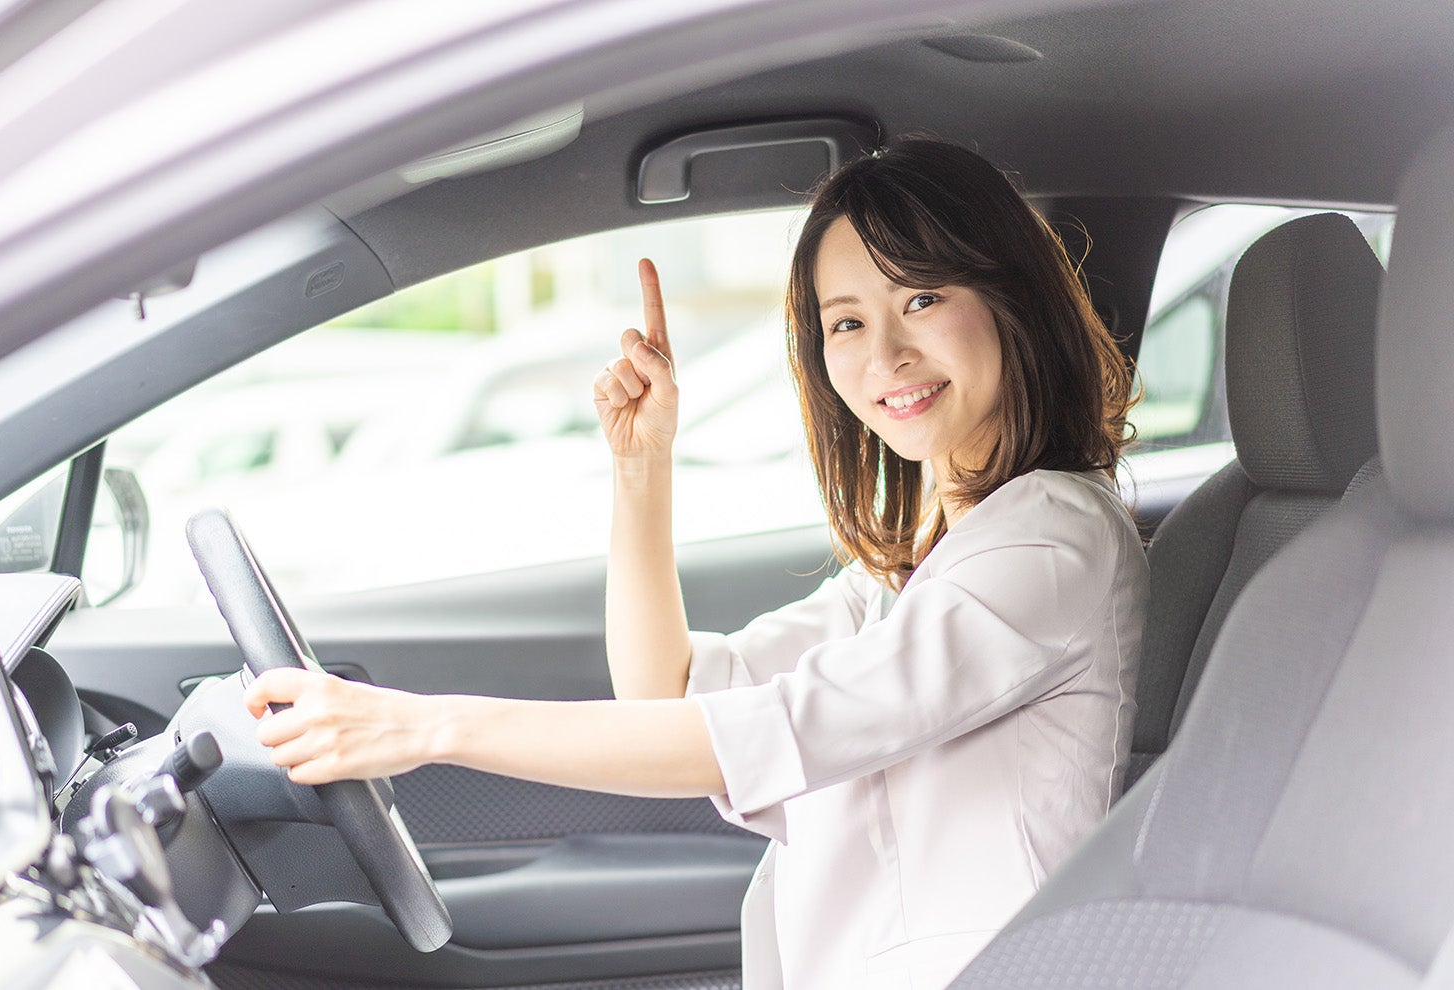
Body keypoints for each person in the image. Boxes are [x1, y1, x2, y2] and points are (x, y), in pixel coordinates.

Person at [244, 137, 1149, 989]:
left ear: (1011, 298)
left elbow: (774, 730)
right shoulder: (916, 561)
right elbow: (672, 698)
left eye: (921, 298)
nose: (884, 355)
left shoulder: (1052, 541)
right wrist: (643, 466)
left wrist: (422, 729)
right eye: (845, 322)